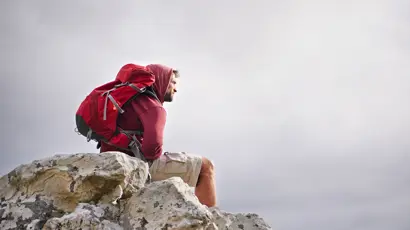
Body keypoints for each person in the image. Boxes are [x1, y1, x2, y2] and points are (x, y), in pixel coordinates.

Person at [99, 64, 217, 207]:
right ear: (162, 80)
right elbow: (151, 150)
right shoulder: (154, 107)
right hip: (135, 164)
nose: (175, 88)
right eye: (172, 82)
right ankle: (212, 220)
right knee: (205, 167)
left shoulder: (127, 99)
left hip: (111, 159)